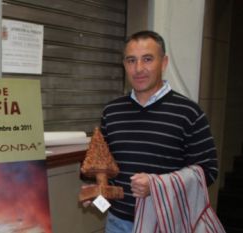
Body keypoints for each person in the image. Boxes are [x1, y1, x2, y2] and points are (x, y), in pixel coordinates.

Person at [88, 30, 219, 232]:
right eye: (131, 60)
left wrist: (157, 185)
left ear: (164, 63)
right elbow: (106, 168)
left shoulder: (189, 113)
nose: (138, 68)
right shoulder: (112, 112)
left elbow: (209, 171)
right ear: (124, 65)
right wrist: (98, 196)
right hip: (117, 223)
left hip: (165, 223)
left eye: (147, 59)